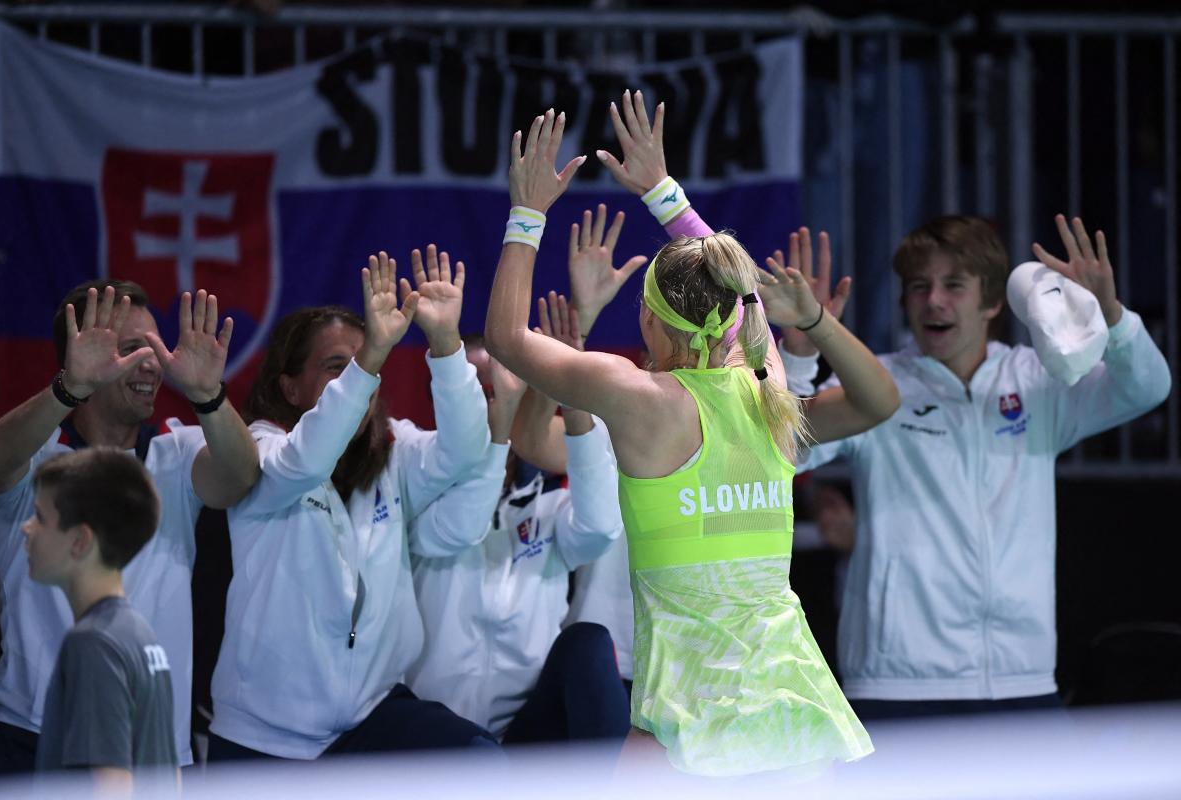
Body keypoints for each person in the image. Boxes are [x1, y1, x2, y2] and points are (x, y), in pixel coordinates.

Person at [485, 107, 899, 776]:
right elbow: (761, 312)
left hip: (689, 728)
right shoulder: (767, 391)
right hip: (791, 712)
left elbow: (506, 338)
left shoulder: (641, 399)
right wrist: (664, 193)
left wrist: (526, 212)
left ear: (654, 322)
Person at [784, 214, 1172, 719]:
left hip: (1021, 678)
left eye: (953, 285)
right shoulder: (876, 386)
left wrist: (1112, 317)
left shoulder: (1039, 382)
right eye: (919, 287)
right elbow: (783, 450)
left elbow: (1147, 387)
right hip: (897, 683)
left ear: (992, 302)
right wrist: (799, 359)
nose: (934, 301)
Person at [207, 247, 501, 760]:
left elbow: (464, 449)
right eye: (336, 368)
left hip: (370, 719)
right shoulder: (262, 451)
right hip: (265, 735)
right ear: (290, 387)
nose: (360, 384)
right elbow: (307, 462)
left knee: (478, 758)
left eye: (367, 368)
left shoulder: (392, 451)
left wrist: (445, 343)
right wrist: (370, 357)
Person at [0, 282, 258, 772]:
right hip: (31, 739)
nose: (153, 363)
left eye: (156, 348)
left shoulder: (177, 453)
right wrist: (70, 388)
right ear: (78, 353)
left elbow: (239, 479)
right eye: (133, 350)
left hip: (150, 750)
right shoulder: (39, 457)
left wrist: (207, 396)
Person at [408, 290, 627, 745]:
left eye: (502, 392)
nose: (494, 403)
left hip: (524, 732)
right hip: (432, 729)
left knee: (586, 640)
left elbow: (599, 529)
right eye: (479, 392)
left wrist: (576, 396)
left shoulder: (543, 505)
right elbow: (456, 530)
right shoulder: (412, 490)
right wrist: (500, 435)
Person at [24, 448, 178, 790]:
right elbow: (172, 776)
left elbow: (112, 789)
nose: (26, 528)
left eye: (39, 517)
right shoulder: (142, 635)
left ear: (80, 541)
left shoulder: (92, 644)